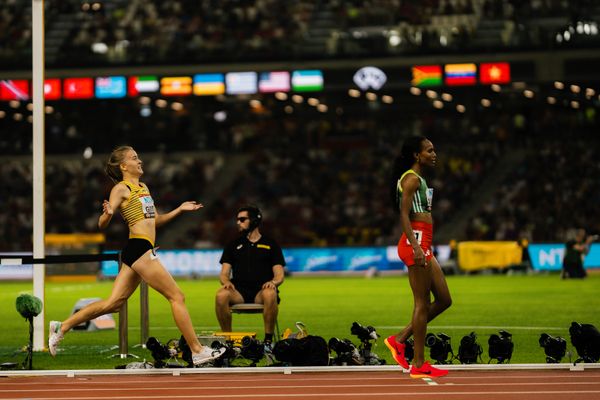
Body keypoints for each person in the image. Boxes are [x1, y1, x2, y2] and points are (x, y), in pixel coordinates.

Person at [48, 146, 225, 366]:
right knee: (177, 296)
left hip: (140, 248)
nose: (140, 161)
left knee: (113, 304)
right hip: (139, 248)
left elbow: (155, 221)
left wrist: (179, 209)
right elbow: (102, 223)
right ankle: (197, 350)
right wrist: (108, 214)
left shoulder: (143, 187)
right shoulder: (121, 188)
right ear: (123, 166)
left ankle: (62, 326)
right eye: (134, 158)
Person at [384, 135, 452, 378]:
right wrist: (415, 247)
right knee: (421, 304)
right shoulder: (411, 179)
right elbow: (404, 215)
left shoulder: (418, 179)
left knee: (444, 299)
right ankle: (419, 363)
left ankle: (400, 339)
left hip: (423, 242)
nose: (434, 154)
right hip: (417, 242)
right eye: (429, 151)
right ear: (416, 155)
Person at [215, 205, 285, 348]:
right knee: (221, 295)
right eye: (237, 220)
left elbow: (279, 274)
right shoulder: (233, 245)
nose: (238, 223)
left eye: (242, 219)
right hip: (238, 292)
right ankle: (228, 341)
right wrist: (226, 282)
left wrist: (273, 282)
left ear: (253, 220)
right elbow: (224, 273)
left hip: (262, 291)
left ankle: (268, 341)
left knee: (270, 293)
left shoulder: (271, 244)